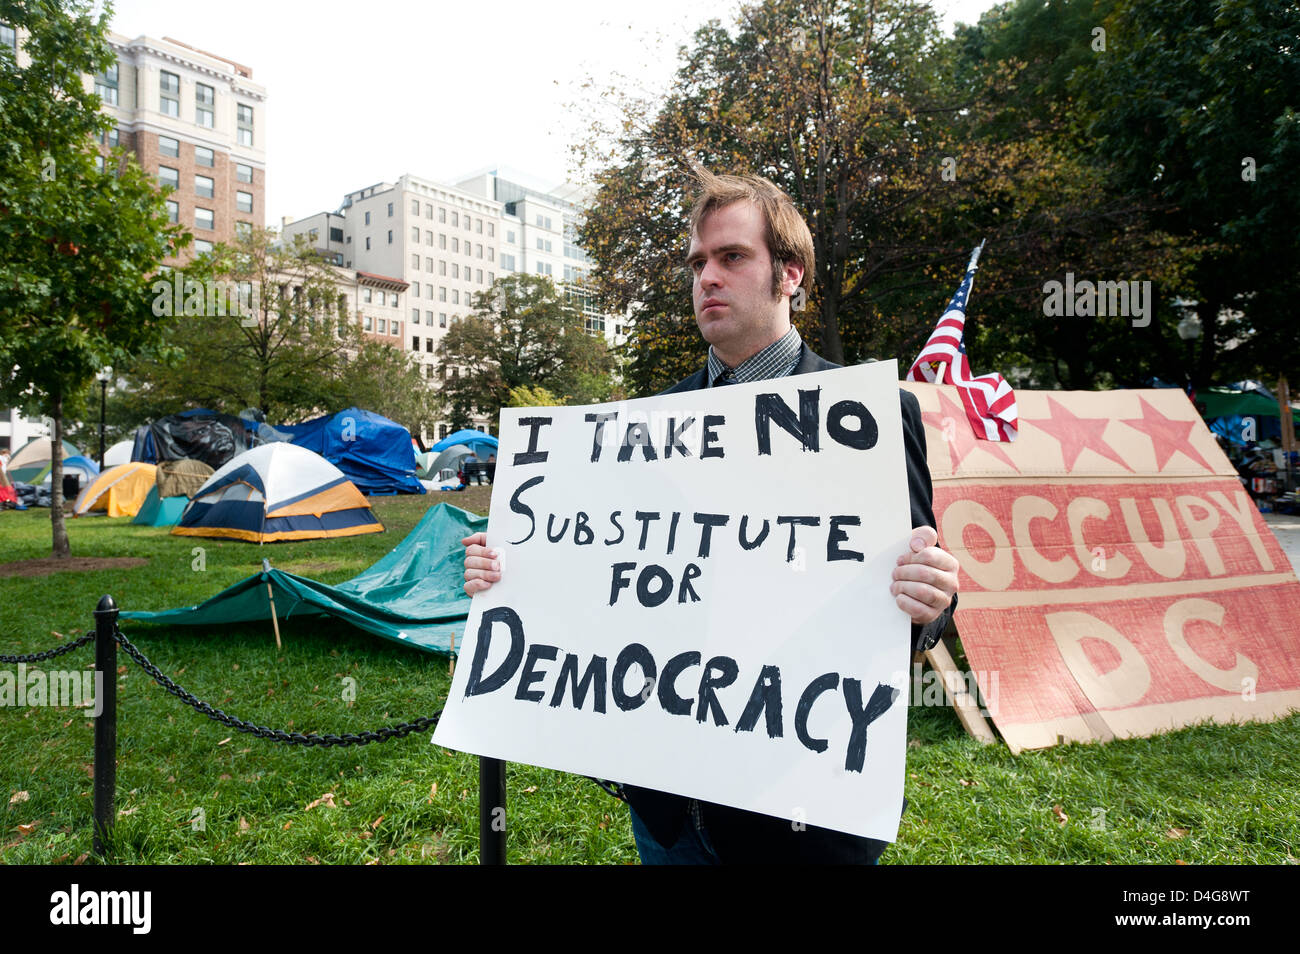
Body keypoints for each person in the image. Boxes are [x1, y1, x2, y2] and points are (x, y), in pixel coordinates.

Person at [461, 168, 960, 864]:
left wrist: (929, 598)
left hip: (802, 818)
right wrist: (509, 569)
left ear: (789, 274)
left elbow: (927, 604)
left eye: (732, 257)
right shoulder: (645, 427)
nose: (707, 278)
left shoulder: (869, 421)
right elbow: (609, 572)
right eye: (698, 263)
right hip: (668, 816)